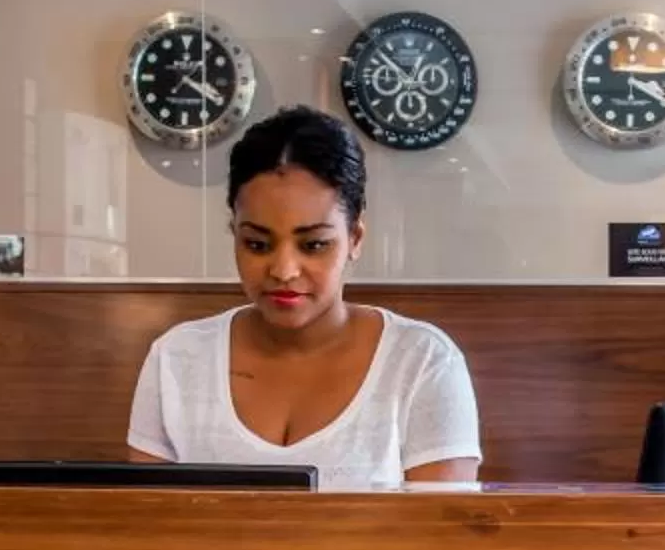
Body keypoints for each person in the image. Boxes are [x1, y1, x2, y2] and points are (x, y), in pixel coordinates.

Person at [127, 106, 481, 485]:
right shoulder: (177, 359)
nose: (284, 271)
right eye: (257, 244)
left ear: (354, 238)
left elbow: (440, 522)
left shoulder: (422, 362)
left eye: (313, 245)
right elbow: (145, 516)